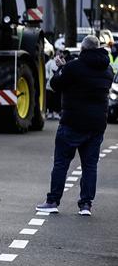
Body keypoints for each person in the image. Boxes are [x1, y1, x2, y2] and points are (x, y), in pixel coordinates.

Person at [36, 35, 113, 216]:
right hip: (96, 125)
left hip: (72, 122)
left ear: (83, 49)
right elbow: (86, 78)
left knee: (61, 163)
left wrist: (60, 68)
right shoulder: (108, 70)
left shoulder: (73, 67)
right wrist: (67, 68)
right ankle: (86, 204)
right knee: (90, 165)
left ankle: (53, 200)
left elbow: (56, 85)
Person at [45, 49, 61, 119]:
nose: (58, 54)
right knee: (50, 99)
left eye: (59, 53)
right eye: (57, 53)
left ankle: (56, 112)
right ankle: (50, 112)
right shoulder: (50, 62)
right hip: (49, 84)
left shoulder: (61, 62)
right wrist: (47, 76)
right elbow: (46, 69)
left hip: (58, 83)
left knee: (57, 99)